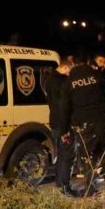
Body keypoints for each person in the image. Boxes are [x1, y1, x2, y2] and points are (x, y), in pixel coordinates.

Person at [58, 55, 105, 197]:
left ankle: (91, 191)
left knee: (88, 158)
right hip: (102, 122)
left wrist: (64, 131)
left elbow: (64, 108)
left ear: (74, 65)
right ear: (87, 63)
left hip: (83, 125)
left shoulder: (69, 82)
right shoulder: (97, 75)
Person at [44, 58, 74, 196]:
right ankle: (64, 185)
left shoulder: (51, 79)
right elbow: (61, 106)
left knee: (62, 154)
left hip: (56, 122)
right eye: (70, 71)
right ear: (66, 68)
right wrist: (65, 130)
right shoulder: (60, 81)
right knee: (66, 155)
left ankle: (60, 183)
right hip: (62, 124)